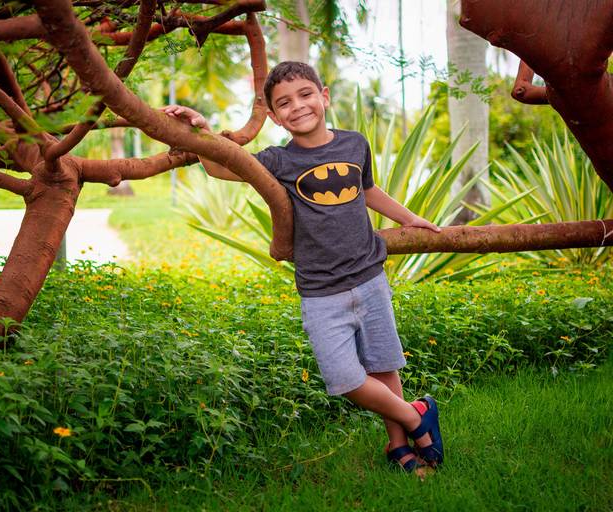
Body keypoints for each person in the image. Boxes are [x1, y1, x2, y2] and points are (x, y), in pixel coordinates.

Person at [163, 61, 444, 473]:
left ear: (324, 96)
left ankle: (399, 446)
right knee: (345, 379)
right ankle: (417, 415)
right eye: (284, 103)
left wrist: (410, 219)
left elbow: (367, 190)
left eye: (305, 94)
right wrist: (201, 130)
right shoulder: (278, 160)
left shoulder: (355, 144)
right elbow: (221, 167)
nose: (297, 106)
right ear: (274, 117)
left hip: (369, 277)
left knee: (384, 365)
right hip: (321, 290)